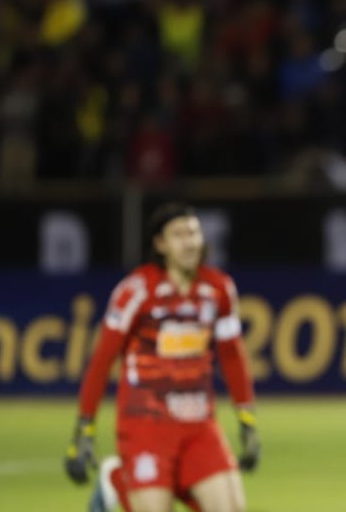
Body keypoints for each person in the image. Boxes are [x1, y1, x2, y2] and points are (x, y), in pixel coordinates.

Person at [65, 203, 260, 512]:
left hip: (199, 426)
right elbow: (102, 361)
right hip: (146, 424)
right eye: (178, 235)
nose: (189, 242)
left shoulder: (218, 289)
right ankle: (118, 480)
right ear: (161, 244)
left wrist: (246, 417)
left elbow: (232, 356)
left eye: (194, 233)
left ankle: (121, 478)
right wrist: (84, 427)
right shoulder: (137, 291)